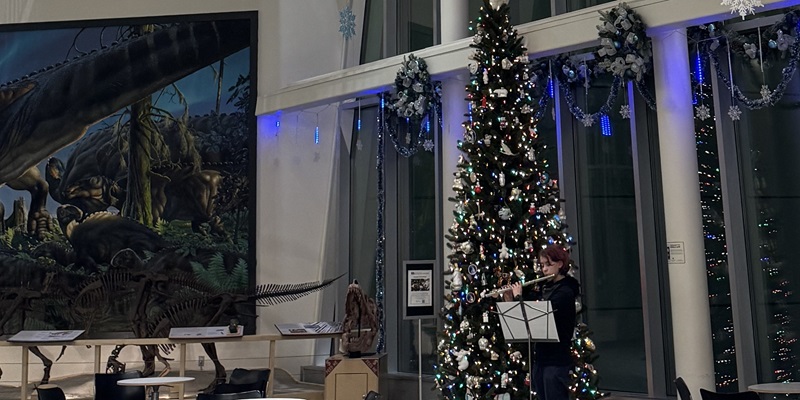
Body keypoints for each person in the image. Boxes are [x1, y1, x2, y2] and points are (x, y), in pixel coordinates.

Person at [503, 244, 580, 400]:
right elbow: (525, 317)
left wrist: (519, 297)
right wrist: (510, 298)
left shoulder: (565, 291)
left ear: (560, 264)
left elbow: (540, 312)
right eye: (542, 265)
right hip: (541, 358)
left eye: (548, 264)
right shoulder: (545, 288)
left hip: (557, 360)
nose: (544, 269)